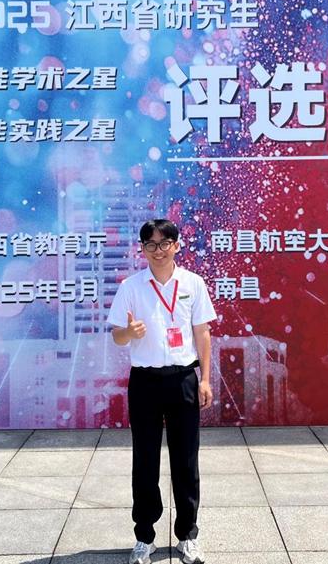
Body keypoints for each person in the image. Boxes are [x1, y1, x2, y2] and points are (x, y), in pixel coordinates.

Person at [107, 218, 216, 564]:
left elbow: (202, 333)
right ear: (142, 249)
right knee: (145, 461)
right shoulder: (131, 287)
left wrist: (205, 379)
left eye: (164, 243)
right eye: (151, 244)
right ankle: (145, 537)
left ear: (176, 245)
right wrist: (129, 333)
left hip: (183, 379)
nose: (158, 250)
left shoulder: (193, 283)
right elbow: (117, 336)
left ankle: (187, 535)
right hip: (145, 382)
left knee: (186, 460)